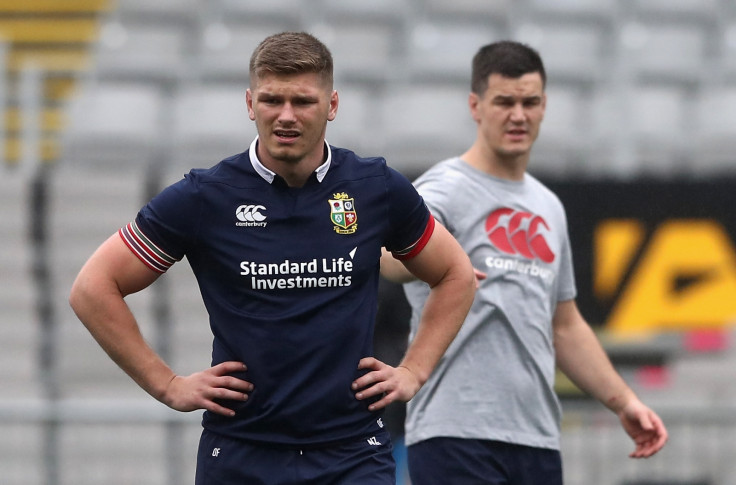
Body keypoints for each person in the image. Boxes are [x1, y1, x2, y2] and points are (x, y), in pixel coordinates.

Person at [69, 31, 476, 485]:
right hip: (242, 453)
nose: (286, 116)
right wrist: (167, 384)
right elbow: (92, 288)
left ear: (333, 104)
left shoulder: (375, 187)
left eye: (303, 101)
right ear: (249, 103)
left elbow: (455, 275)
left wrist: (414, 371)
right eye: (271, 100)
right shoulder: (206, 196)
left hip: (353, 455)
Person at [379, 40, 668, 484]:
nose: (519, 114)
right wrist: (432, 263)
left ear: (544, 105)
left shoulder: (548, 205)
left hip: (536, 438)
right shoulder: (444, 187)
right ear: (475, 106)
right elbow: (389, 259)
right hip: (454, 432)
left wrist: (624, 402)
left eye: (530, 102)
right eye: (504, 102)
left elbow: (566, 325)